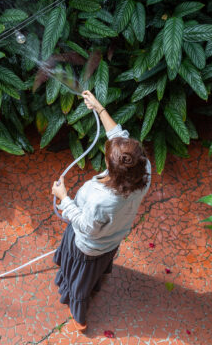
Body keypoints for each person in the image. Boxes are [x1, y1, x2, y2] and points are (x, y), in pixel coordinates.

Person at [50, 90, 152, 332]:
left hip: (87, 246)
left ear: (112, 168)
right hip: (112, 240)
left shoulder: (101, 199)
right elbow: (119, 137)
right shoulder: (142, 170)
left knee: (80, 285)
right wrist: (99, 108)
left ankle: (79, 316)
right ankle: (99, 277)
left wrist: (64, 199)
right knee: (101, 263)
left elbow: (86, 227)